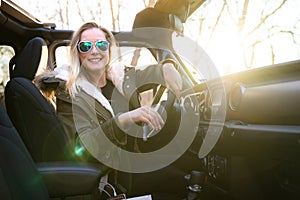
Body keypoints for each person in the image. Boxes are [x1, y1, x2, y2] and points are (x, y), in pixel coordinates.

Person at [35, 21, 185, 198]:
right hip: (106, 178)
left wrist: (167, 66)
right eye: (85, 46)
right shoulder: (69, 93)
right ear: (77, 53)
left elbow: (146, 74)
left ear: (108, 50)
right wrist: (122, 120)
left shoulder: (118, 79)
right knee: (176, 181)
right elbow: (79, 148)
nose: (95, 51)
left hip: (127, 165)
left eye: (101, 44)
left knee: (179, 172)